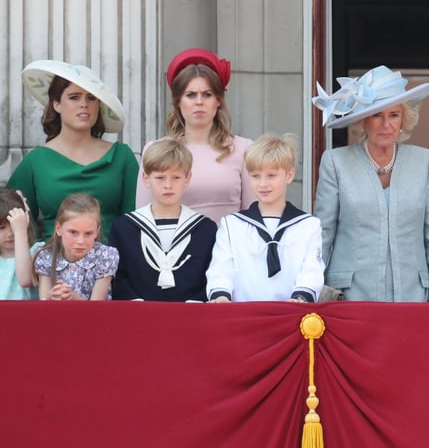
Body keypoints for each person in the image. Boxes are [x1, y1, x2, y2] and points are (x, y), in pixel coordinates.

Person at [313, 65, 429, 302]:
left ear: (404, 119)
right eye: (377, 115)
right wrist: (315, 293)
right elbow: (323, 233)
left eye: (394, 115)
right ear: (364, 121)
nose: (387, 124)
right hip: (350, 297)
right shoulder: (335, 162)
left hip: (412, 297)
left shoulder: (424, 161)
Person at [10, 60, 138, 238]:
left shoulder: (122, 156)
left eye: (91, 97)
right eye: (74, 97)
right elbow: (12, 214)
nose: (84, 104)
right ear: (57, 104)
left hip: (113, 261)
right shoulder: (36, 160)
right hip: (51, 261)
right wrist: (39, 253)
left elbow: (136, 219)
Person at [137, 48, 256, 224]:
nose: (199, 102)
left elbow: (253, 214)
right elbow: (143, 216)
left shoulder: (244, 149)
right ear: (178, 101)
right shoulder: (155, 150)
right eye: (191, 95)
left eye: (207, 94)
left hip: (230, 248)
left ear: (218, 101)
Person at [206, 134, 324, 303]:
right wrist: (221, 296)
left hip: (291, 314)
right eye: (255, 176)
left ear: (289, 176)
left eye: (271, 175)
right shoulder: (232, 225)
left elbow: (311, 268)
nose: (262, 184)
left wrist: (301, 297)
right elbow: (221, 267)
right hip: (243, 315)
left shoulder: (308, 225)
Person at [109, 138, 218, 301]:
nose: (168, 185)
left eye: (176, 178)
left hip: (192, 318)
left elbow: (213, 275)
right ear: (146, 178)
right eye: (160, 177)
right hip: (138, 318)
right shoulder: (124, 228)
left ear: (187, 179)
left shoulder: (205, 229)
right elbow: (118, 277)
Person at [33, 193, 120, 300]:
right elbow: (43, 306)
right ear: (59, 229)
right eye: (73, 232)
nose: (80, 241)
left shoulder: (105, 257)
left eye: (88, 233)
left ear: (97, 231)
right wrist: (51, 297)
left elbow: (97, 309)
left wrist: (74, 299)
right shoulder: (45, 257)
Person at [1, 189, 42, 300]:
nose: (10, 233)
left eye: (14, 225)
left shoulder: (38, 251)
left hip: (24, 315)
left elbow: (26, 279)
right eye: (2, 228)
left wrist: (20, 231)